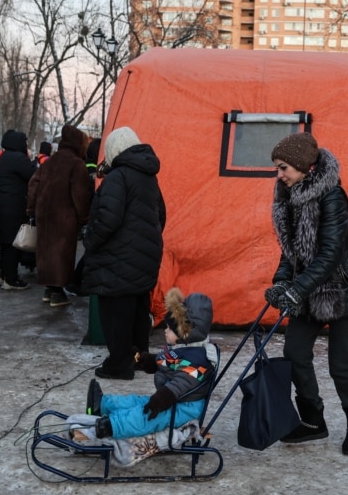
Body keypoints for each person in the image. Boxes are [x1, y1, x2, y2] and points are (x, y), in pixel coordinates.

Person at [265, 131, 348, 456]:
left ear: (304, 167)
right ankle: (313, 421)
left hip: (340, 293)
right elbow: (291, 251)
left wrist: (297, 289)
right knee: (295, 354)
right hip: (306, 292)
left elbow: (330, 253)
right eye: (278, 168)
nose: (279, 174)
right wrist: (283, 282)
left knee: (341, 364)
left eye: (284, 167)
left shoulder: (332, 197)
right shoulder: (290, 197)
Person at [82, 126, 166, 380]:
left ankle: (119, 364)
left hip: (118, 259)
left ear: (114, 150)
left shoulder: (118, 177)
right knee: (138, 309)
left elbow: (107, 219)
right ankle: (138, 357)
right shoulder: (148, 176)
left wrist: (90, 240)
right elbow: (160, 215)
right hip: (144, 257)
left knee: (115, 312)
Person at [78, 288, 217, 441]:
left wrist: (163, 397)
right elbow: (172, 362)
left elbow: (182, 382)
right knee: (137, 401)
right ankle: (102, 404)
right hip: (175, 401)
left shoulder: (199, 359)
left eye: (170, 329)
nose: (165, 331)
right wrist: (150, 360)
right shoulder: (186, 347)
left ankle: (112, 426)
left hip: (185, 409)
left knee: (145, 416)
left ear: (185, 333)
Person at [27, 125, 90, 308]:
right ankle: (57, 292)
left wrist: (31, 209)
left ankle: (49, 288)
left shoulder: (49, 162)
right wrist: (84, 217)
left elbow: (33, 184)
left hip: (44, 214)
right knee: (62, 254)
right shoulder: (76, 164)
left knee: (47, 252)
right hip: (64, 216)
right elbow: (80, 193)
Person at [0, 129, 35, 290]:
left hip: (2, 206)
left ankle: (5, 276)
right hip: (14, 206)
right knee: (13, 244)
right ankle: (11, 279)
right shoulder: (18, 158)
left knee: (5, 243)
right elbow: (33, 175)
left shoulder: (4, 158)